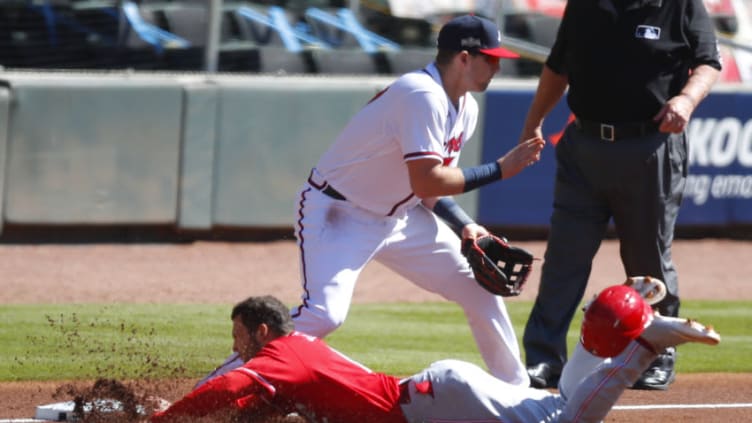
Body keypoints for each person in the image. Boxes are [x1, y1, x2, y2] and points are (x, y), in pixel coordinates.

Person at [197, 14, 546, 389]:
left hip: (399, 217)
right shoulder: (420, 94)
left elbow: (430, 190)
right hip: (338, 211)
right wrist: (500, 169)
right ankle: (212, 389)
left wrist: (465, 225)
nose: (496, 66)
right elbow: (426, 177)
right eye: (490, 58)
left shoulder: (465, 108)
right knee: (324, 316)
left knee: (478, 288)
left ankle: (516, 393)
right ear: (464, 57)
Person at [150, 277, 721, 423]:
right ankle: (623, 313)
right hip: (439, 396)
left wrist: (165, 417)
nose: (238, 352)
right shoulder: (296, 350)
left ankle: (643, 340)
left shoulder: (276, 358)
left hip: (434, 403)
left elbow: (230, 387)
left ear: (261, 332)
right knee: (554, 404)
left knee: (564, 419)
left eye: (239, 341)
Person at [518, 0, 722, 390]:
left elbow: (708, 62)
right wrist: (534, 122)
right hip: (584, 145)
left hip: (649, 145)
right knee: (564, 257)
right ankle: (545, 358)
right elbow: (558, 66)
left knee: (647, 261)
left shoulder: (678, 4)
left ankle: (657, 354)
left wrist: (686, 99)